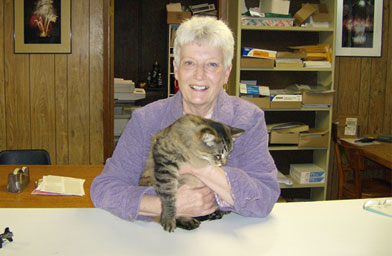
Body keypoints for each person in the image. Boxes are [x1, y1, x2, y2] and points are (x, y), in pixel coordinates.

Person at [91, 16, 280, 222]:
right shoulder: (146, 120)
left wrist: (198, 167)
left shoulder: (248, 119)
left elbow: (265, 198)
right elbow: (104, 189)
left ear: (226, 73)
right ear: (176, 69)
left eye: (212, 65)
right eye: (189, 63)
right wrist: (166, 205)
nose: (199, 75)